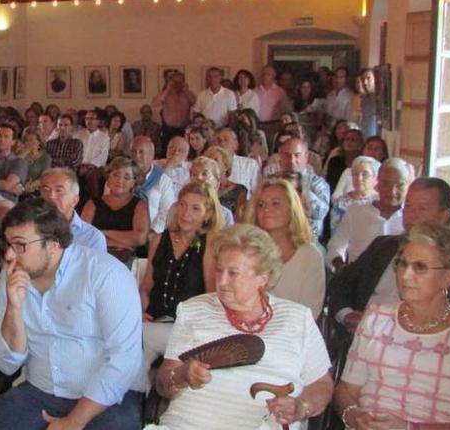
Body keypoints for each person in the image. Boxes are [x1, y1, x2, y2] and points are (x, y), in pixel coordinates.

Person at [153, 224, 333, 430]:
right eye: (219, 270)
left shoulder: (297, 318)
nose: (221, 281)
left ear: (262, 279)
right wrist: (183, 375)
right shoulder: (193, 310)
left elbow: (322, 385)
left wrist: (301, 406)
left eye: (233, 273)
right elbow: (163, 383)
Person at [0, 198, 144, 429]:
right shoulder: (10, 278)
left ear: (53, 244)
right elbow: (6, 364)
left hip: (107, 398)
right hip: (40, 391)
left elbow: (124, 360)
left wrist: (74, 421)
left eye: (20, 245)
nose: (9, 255)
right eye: (8, 244)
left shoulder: (105, 274)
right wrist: (14, 309)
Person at [333, 223, 450, 430]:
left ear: (449, 277)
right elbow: (346, 391)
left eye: (420, 267)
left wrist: (410, 428)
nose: (405, 275)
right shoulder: (376, 316)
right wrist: (354, 416)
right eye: (402, 264)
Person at [329, 177, 450, 335]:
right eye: (408, 206)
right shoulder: (383, 246)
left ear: (444, 215)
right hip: (361, 334)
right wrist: (346, 315)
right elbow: (342, 282)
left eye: (422, 208)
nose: (412, 215)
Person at [139, 181, 223, 372]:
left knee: (138, 338)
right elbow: (146, 286)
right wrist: (141, 312)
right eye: (183, 205)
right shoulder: (160, 240)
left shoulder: (210, 245)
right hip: (153, 320)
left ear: (207, 214)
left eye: (195, 208)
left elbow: (211, 297)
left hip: (186, 327)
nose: (186, 213)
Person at [240, 178, 325, 318]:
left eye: (275, 204)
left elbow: (310, 310)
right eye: (261, 205)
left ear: (292, 209)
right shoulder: (246, 252)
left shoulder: (310, 256)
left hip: (291, 331)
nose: (266, 209)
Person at [327, 158, 410, 269]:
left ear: (408, 186)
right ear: (377, 183)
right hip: (359, 282)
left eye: (400, 185)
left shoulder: (412, 216)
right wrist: (341, 268)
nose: (392, 191)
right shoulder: (356, 211)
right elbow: (336, 246)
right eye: (386, 183)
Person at [81, 157, 150, 266]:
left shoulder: (139, 205)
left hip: (124, 259)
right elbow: (84, 235)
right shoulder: (92, 203)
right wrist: (120, 241)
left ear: (134, 182)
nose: (119, 180)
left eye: (126, 177)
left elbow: (140, 238)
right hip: (93, 256)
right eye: (115, 175)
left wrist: (102, 233)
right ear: (108, 177)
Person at [39, 168, 107, 251]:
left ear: (75, 200)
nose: (51, 196)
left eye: (59, 190)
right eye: (46, 190)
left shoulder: (92, 238)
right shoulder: (29, 227)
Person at [277, 138, 331, 239]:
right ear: (280, 157)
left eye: (297, 155)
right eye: (287, 156)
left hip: (309, 242)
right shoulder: (273, 182)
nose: (292, 161)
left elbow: (320, 213)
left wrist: (300, 188)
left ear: (306, 157)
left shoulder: (317, 183)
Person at [131, 136, 176, 234]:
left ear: (152, 155)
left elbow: (167, 212)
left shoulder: (163, 180)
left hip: (151, 232)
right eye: (133, 152)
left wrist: (152, 232)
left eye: (141, 152)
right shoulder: (121, 175)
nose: (137, 156)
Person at [0, 124, 28, 223]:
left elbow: (8, 184)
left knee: (2, 214)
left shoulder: (18, 162)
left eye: (6, 137)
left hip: (5, 200)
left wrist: (5, 186)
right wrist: (6, 186)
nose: (1, 139)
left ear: (13, 142)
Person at [328, 155, 380, 235]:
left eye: (365, 174)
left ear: (375, 179)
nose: (359, 178)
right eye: (355, 174)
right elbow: (336, 231)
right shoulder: (341, 203)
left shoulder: (380, 202)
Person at [152, 71, 197, 157]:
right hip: (167, 129)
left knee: (184, 153)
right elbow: (154, 103)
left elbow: (195, 102)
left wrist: (186, 90)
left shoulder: (187, 94)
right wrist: (168, 88)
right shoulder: (165, 94)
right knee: (166, 153)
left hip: (183, 129)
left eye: (180, 82)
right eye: (175, 82)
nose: (177, 84)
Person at [331, 135, 388, 202]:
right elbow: (335, 197)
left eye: (377, 149)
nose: (372, 151)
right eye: (369, 148)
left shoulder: (386, 174)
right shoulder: (348, 171)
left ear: (383, 153)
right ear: (363, 151)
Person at [212, 127, 260, 197]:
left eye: (226, 140)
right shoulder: (210, 164)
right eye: (219, 141)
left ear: (236, 144)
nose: (222, 143)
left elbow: (257, 192)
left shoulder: (250, 164)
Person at [203, 146, 248, 219]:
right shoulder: (201, 189)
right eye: (208, 161)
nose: (211, 164)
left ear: (226, 166)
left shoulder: (239, 190)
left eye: (215, 160)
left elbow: (240, 218)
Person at [325, 128, 364, 193]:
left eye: (353, 140)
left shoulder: (363, 163)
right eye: (347, 139)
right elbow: (330, 185)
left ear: (360, 144)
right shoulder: (335, 161)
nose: (349, 142)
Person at [17, 128, 51, 195]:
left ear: (39, 142)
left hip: (35, 190)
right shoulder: (20, 155)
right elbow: (14, 169)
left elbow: (44, 177)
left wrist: (31, 186)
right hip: (17, 188)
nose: (28, 143)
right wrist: (23, 154)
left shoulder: (45, 157)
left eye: (31, 140)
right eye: (26, 140)